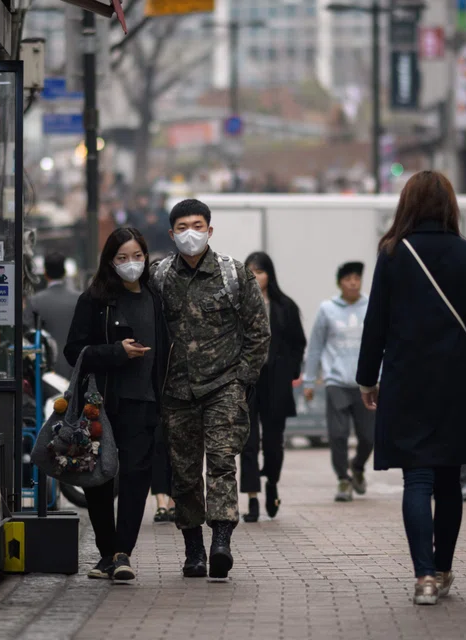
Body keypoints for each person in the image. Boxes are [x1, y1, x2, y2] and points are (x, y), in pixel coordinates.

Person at [356, 171, 466, 606]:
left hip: (406, 378)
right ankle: (443, 566)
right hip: (455, 381)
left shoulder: (393, 254)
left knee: (416, 478)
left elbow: (375, 320)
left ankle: (424, 579)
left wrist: (367, 377)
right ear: (449, 206)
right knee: (449, 479)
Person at [150, 198, 271, 581]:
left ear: (210, 230)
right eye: (182, 226)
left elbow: (258, 332)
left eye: (197, 225)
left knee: (221, 463)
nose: (191, 233)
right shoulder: (159, 277)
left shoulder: (234, 274)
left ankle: (221, 541)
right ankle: (193, 550)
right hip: (176, 391)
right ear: (172, 233)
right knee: (184, 474)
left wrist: (243, 379)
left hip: (224, 387)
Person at [64, 227, 171, 582]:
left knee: (137, 478)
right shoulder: (94, 299)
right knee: (99, 478)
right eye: (122, 257)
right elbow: (73, 351)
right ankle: (105, 552)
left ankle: (123, 552)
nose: (131, 264)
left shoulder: (155, 298)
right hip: (102, 405)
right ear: (110, 261)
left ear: (146, 257)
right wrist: (116, 352)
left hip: (143, 402)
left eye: (137, 256)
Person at [239, 251, 306, 522]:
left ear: (270, 274)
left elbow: (298, 342)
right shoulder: (237, 304)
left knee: (274, 443)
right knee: (248, 442)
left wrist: (289, 370)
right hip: (248, 381)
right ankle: (252, 498)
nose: (256, 276)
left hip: (276, 382)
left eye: (261, 271)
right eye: (251, 271)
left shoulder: (284, 306)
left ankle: (272, 485)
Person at [303, 261, 376, 503]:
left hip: (366, 382)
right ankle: (343, 480)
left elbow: (382, 344)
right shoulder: (327, 309)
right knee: (338, 434)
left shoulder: (372, 306)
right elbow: (315, 347)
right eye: (348, 279)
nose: (353, 282)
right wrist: (309, 381)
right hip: (336, 381)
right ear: (340, 283)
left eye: (357, 278)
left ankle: (357, 467)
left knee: (368, 436)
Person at [26, 252, 79, 378]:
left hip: (47, 371)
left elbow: (28, 335)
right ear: (65, 272)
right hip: (76, 367)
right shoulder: (80, 299)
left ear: (45, 273)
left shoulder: (35, 301)